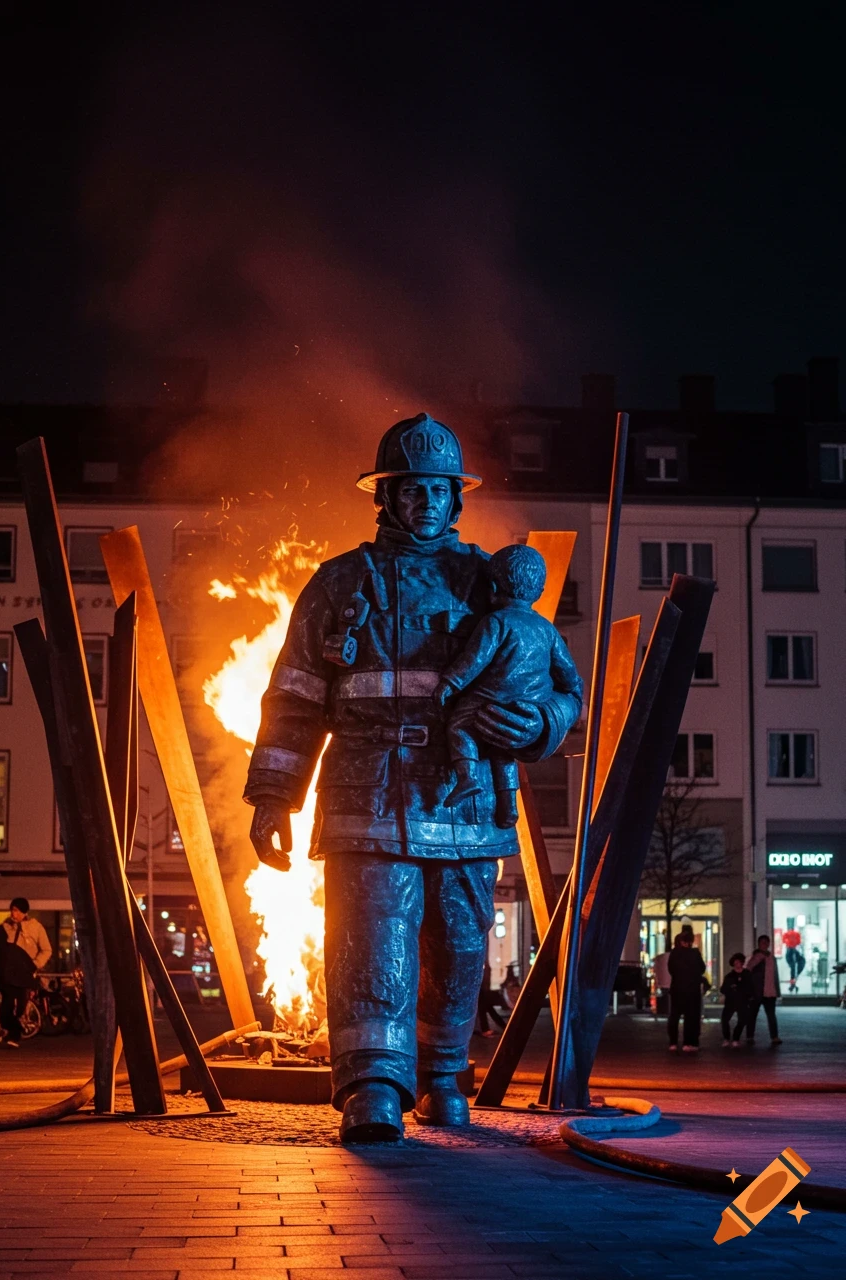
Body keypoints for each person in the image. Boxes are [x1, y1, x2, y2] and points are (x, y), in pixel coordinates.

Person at [244, 413, 583, 1142]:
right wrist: (274, 792)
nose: (426, 502)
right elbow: (296, 694)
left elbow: (561, 687)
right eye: (411, 490)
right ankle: (372, 1086)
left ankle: (442, 1076)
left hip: (464, 795)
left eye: (438, 490)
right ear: (387, 497)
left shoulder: (490, 583)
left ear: (454, 500)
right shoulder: (340, 582)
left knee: (460, 943)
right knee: (373, 936)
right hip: (364, 791)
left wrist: (540, 725)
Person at [433, 543, 559, 828]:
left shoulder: (496, 622)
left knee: (459, 727)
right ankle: (509, 804)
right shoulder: (546, 628)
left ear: (491, 586)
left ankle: (467, 777)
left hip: (491, 697)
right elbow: (571, 677)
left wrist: (449, 683)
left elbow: (474, 660)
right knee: (503, 749)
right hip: (527, 704)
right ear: (539, 592)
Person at [0, 898, 52, 1047]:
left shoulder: (36, 928)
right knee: (6, 1008)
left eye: (17, 910)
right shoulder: (5, 928)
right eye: (12, 910)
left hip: (25, 974)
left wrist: (35, 964)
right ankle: (14, 1032)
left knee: (20, 1007)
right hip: (7, 974)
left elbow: (46, 949)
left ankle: (14, 1033)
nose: (13, 914)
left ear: (24, 912)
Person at [667, 931, 706, 1052]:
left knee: (674, 1016)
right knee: (691, 1017)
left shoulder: (674, 954)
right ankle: (689, 1042)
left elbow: (671, 969)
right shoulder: (695, 953)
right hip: (692, 989)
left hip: (677, 989)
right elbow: (702, 968)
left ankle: (673, 1042)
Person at [746, 934, 782, 1045]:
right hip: (757, 991)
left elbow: (775, 975)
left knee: (771, 1015)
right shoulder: (756, 957)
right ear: (759, 944)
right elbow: (749, 970)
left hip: (770, 991)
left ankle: (774, 1036)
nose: (765, 945)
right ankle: (750, 1036)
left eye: (766, 943)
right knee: (752, 1014)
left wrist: (777, 990)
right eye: (762, 943)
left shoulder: (772, 958)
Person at [719, 952, 754, 1047]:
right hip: (731, 1001)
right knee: (725, 1020)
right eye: (736, 962)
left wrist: (749, 996)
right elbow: (723, 989)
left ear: (742, 962)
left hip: (743, 1001)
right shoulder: (729, 976)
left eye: (739, 962)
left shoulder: (747, 974)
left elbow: (751, 987)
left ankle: (735, 1038)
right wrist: (730, 988)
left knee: (742, 1020)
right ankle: (726, 1038)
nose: (737, 964)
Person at [476, 961, 505, 1037]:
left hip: (480, 989)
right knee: (486, 1008)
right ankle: (486, 1029)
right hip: (480, 989)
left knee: (486, 1008)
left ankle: (486, 1029)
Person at [782, 921, 805, 993]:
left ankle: (793, 980)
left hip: (791, 950)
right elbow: (798, 942)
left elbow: (784, 941)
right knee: (793, 967)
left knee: (793, 967)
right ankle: (793, 980)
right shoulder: (792, 934)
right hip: (792, 950)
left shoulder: (787, 934)